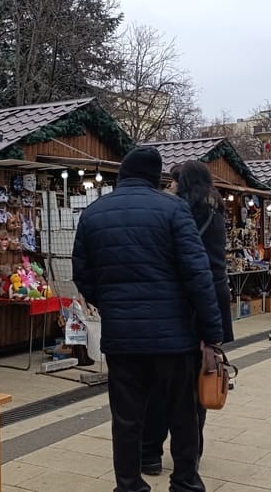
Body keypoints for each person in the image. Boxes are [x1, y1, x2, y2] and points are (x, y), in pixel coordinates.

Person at [73, 146, 222, 492]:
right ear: (156, 177)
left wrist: (110, 304)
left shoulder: (94, 213)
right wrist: (211, 333)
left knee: (126, 418)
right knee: (182, 414)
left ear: (123, 173)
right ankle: (185, 481)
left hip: (122, 338)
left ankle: (129, 485)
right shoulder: (174, 209)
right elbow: (198, 274)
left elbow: (83, 273)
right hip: (174, 337)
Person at [141, 160, 234, 477]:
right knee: (199, 380)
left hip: (177, 305)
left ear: (182, 182)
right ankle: (191, 454)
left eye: (173, 181)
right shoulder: (217, 212)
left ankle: (150, 453)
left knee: (159, 384)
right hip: (211, 303)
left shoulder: (173, 211)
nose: (169, 185)